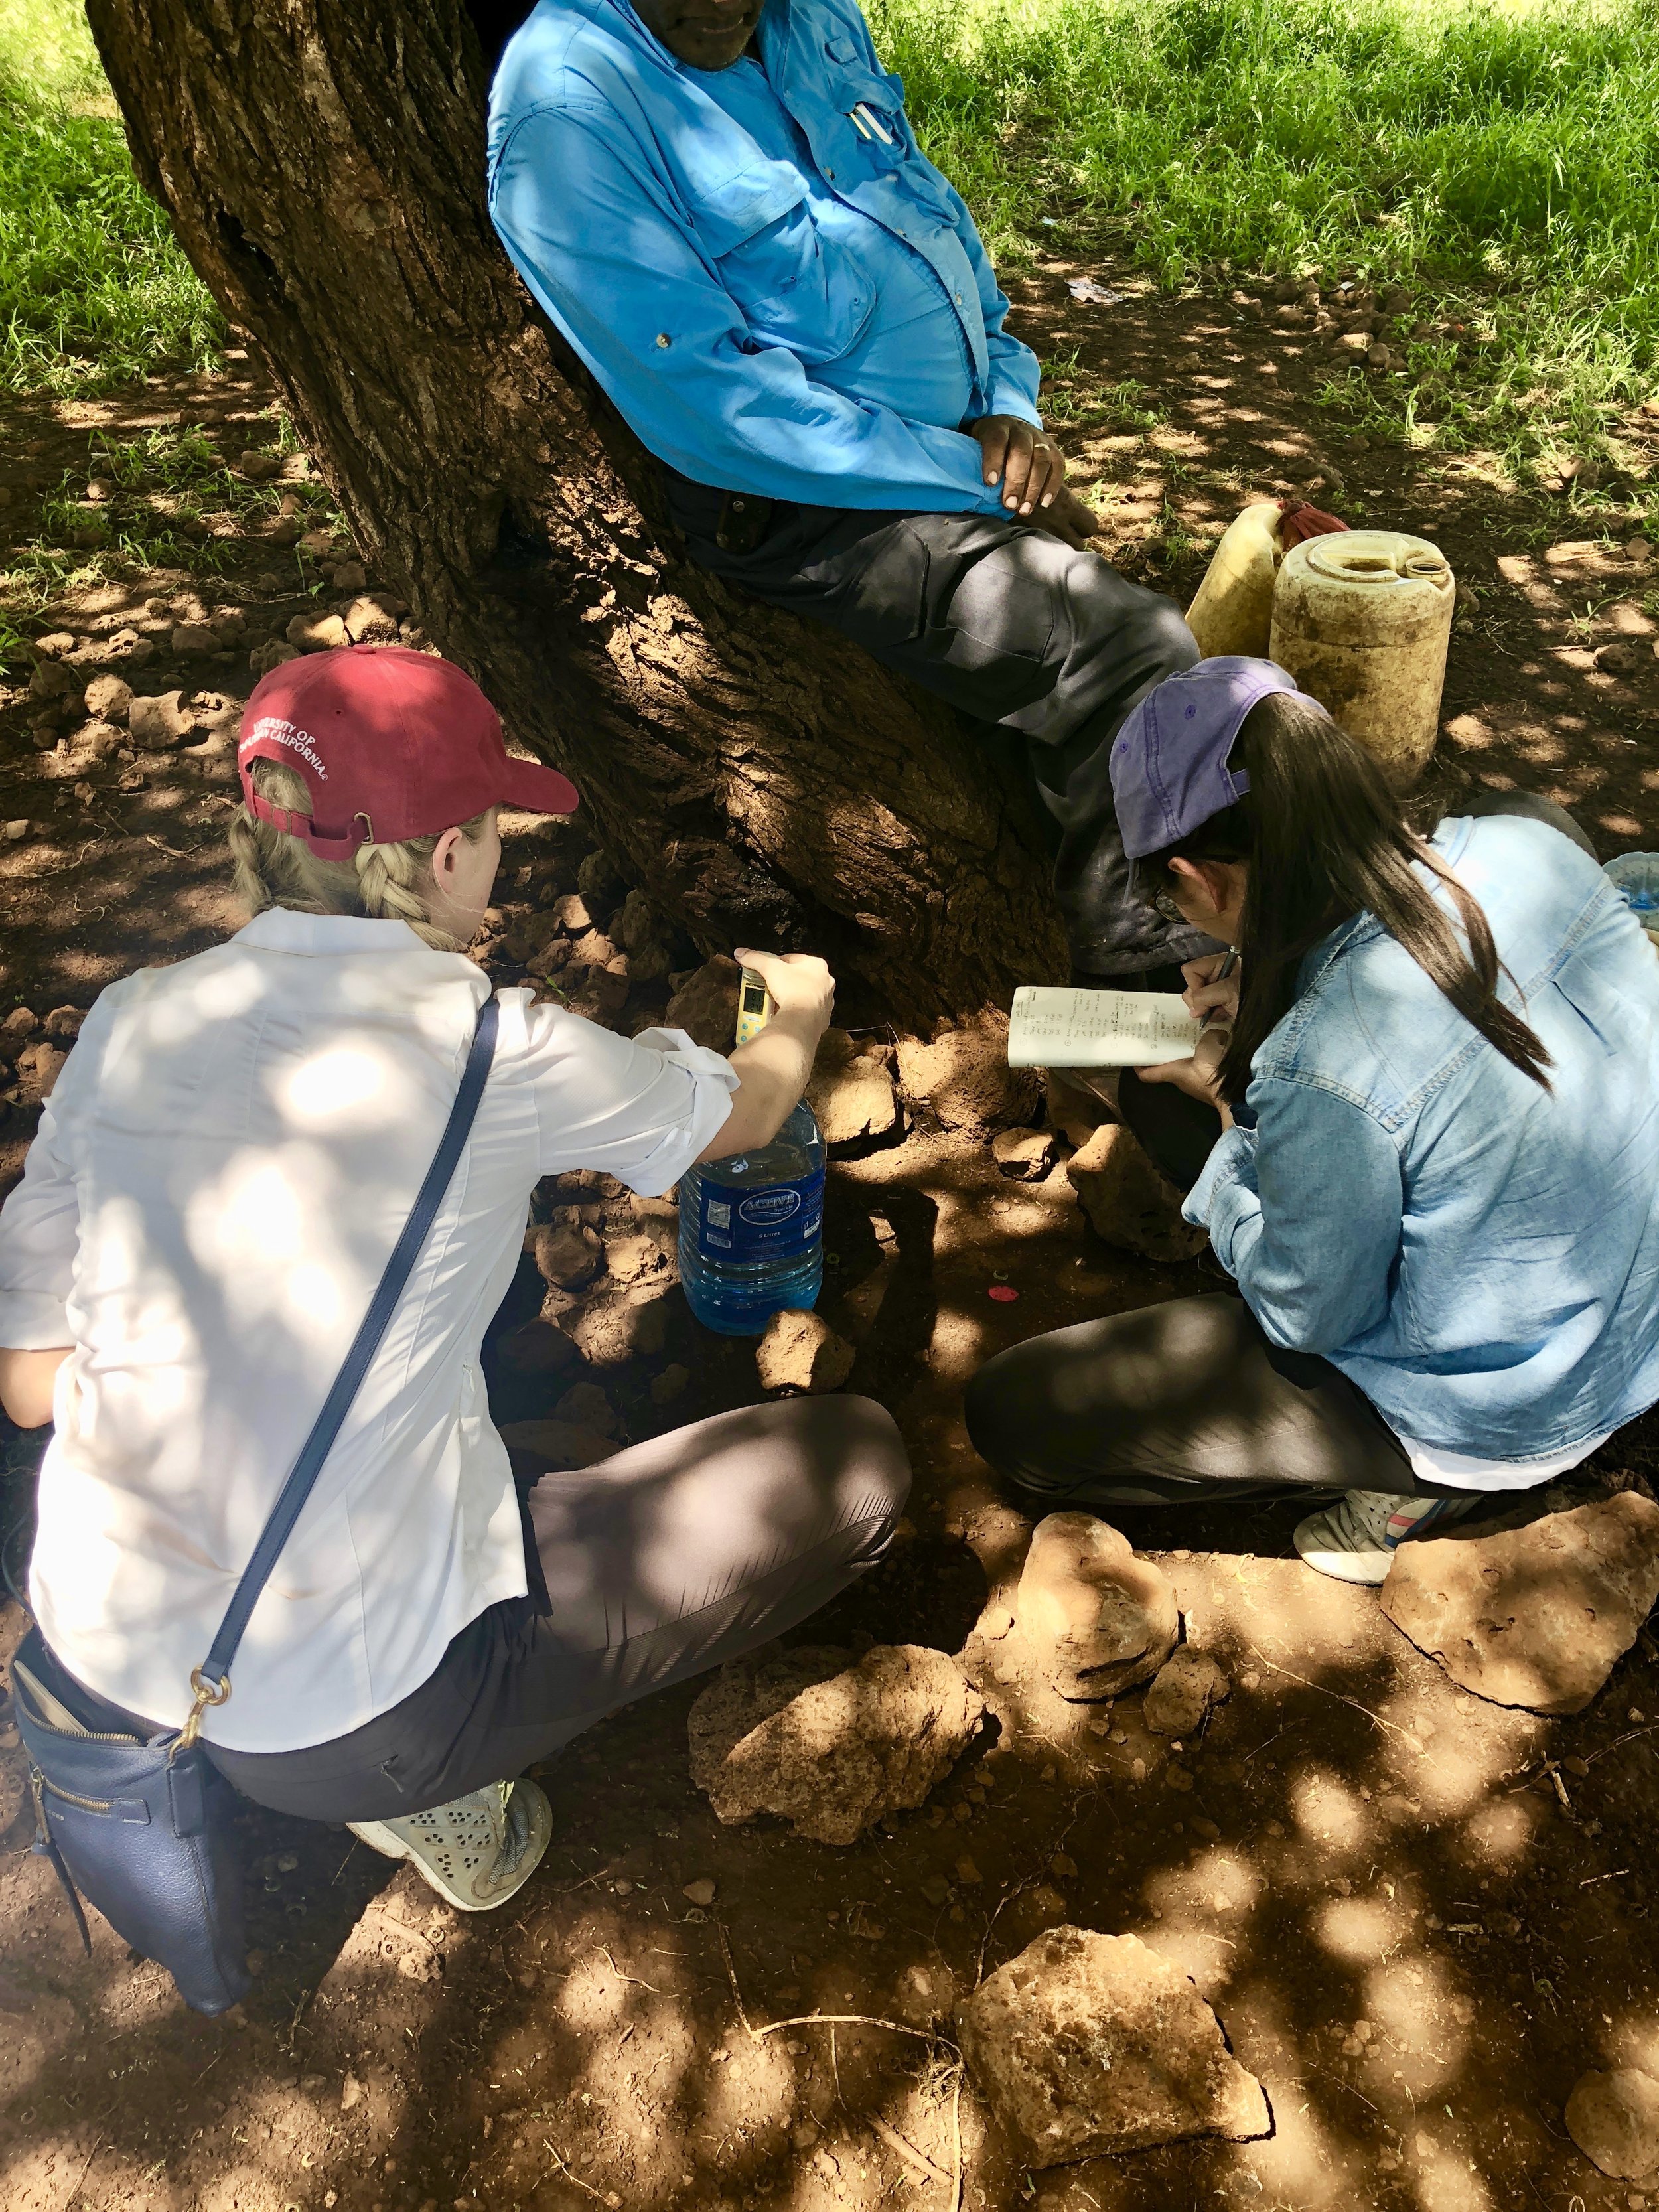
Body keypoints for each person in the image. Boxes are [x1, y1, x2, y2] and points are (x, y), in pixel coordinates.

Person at [0, 645, 910, 1911]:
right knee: (857, 1467)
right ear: (439, 860)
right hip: (346, 1716)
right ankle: (431, 1791)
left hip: (106, 1642)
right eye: (491, 836)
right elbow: (743, 1117)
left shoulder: (132, 1017)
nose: (498, 863)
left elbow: (36, 1388)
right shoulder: (494, 1047)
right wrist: (798, 1015)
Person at [484, 0, 1208, 982]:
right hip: (803, 499)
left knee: (1131, 666)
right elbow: (716, 410)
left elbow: (929, 224)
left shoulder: (809, 19)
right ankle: (1143, 992)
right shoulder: (568, 105)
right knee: (1129, 648)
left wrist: (1004, 401)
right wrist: (972, 477)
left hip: (941, 453)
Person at [966, 656, 1659, 1584]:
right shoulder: (1530, 839)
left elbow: (1310, 1312)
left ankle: (1430, 1489)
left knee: (1018, 1412)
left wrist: (1228, 1118)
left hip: (1507, 1405)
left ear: (1197, 879)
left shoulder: (1319, 1063)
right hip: (1635, 1312)